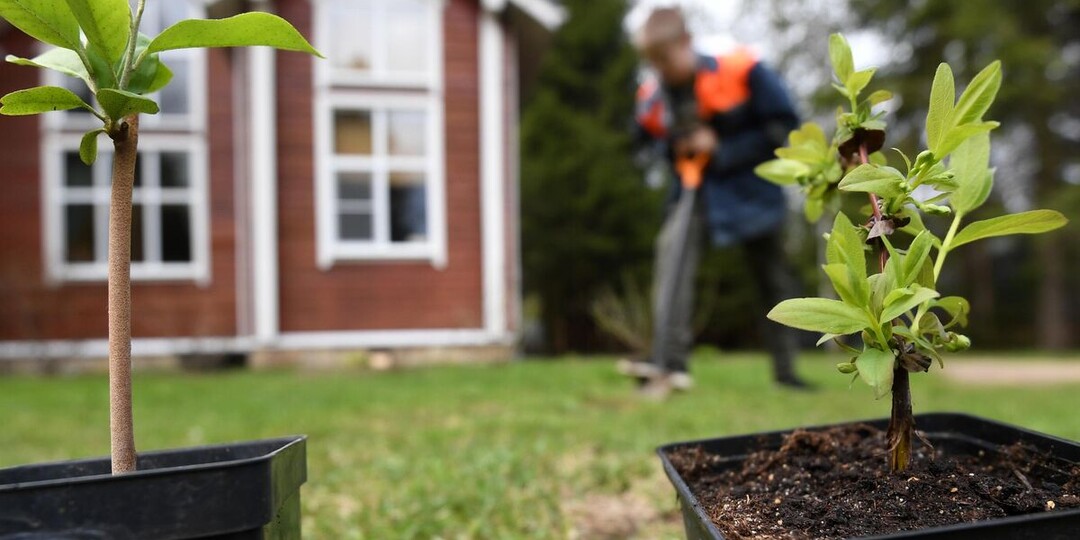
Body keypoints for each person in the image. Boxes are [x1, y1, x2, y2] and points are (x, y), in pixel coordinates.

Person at [620, 7, 810, 397]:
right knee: (670, 256)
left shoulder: (742, 70)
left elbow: (783, 127)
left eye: (664, 59)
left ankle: (787, 372)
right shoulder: (654, 95)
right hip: (695, 191)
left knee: (771, 280)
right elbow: (643, 138)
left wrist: (721, 147)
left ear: (685, 43)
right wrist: (667, 143)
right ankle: (669, 364)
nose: (660, 69)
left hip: (753, 191)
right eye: (651, 62)